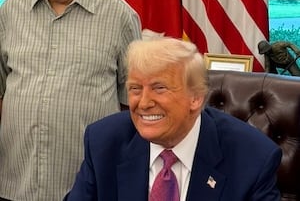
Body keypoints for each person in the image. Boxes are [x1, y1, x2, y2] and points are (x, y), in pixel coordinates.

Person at [0, 0, 141, 201]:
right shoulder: (9, 14)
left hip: (89, 185)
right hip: (17, 182)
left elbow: (134, 102)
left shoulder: (119, 16)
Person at [64, 37, 282, 201]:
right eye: (135, 88)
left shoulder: (253, 157)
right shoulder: (104, 142)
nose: (144, 102)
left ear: (195, 98)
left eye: (159, 88)